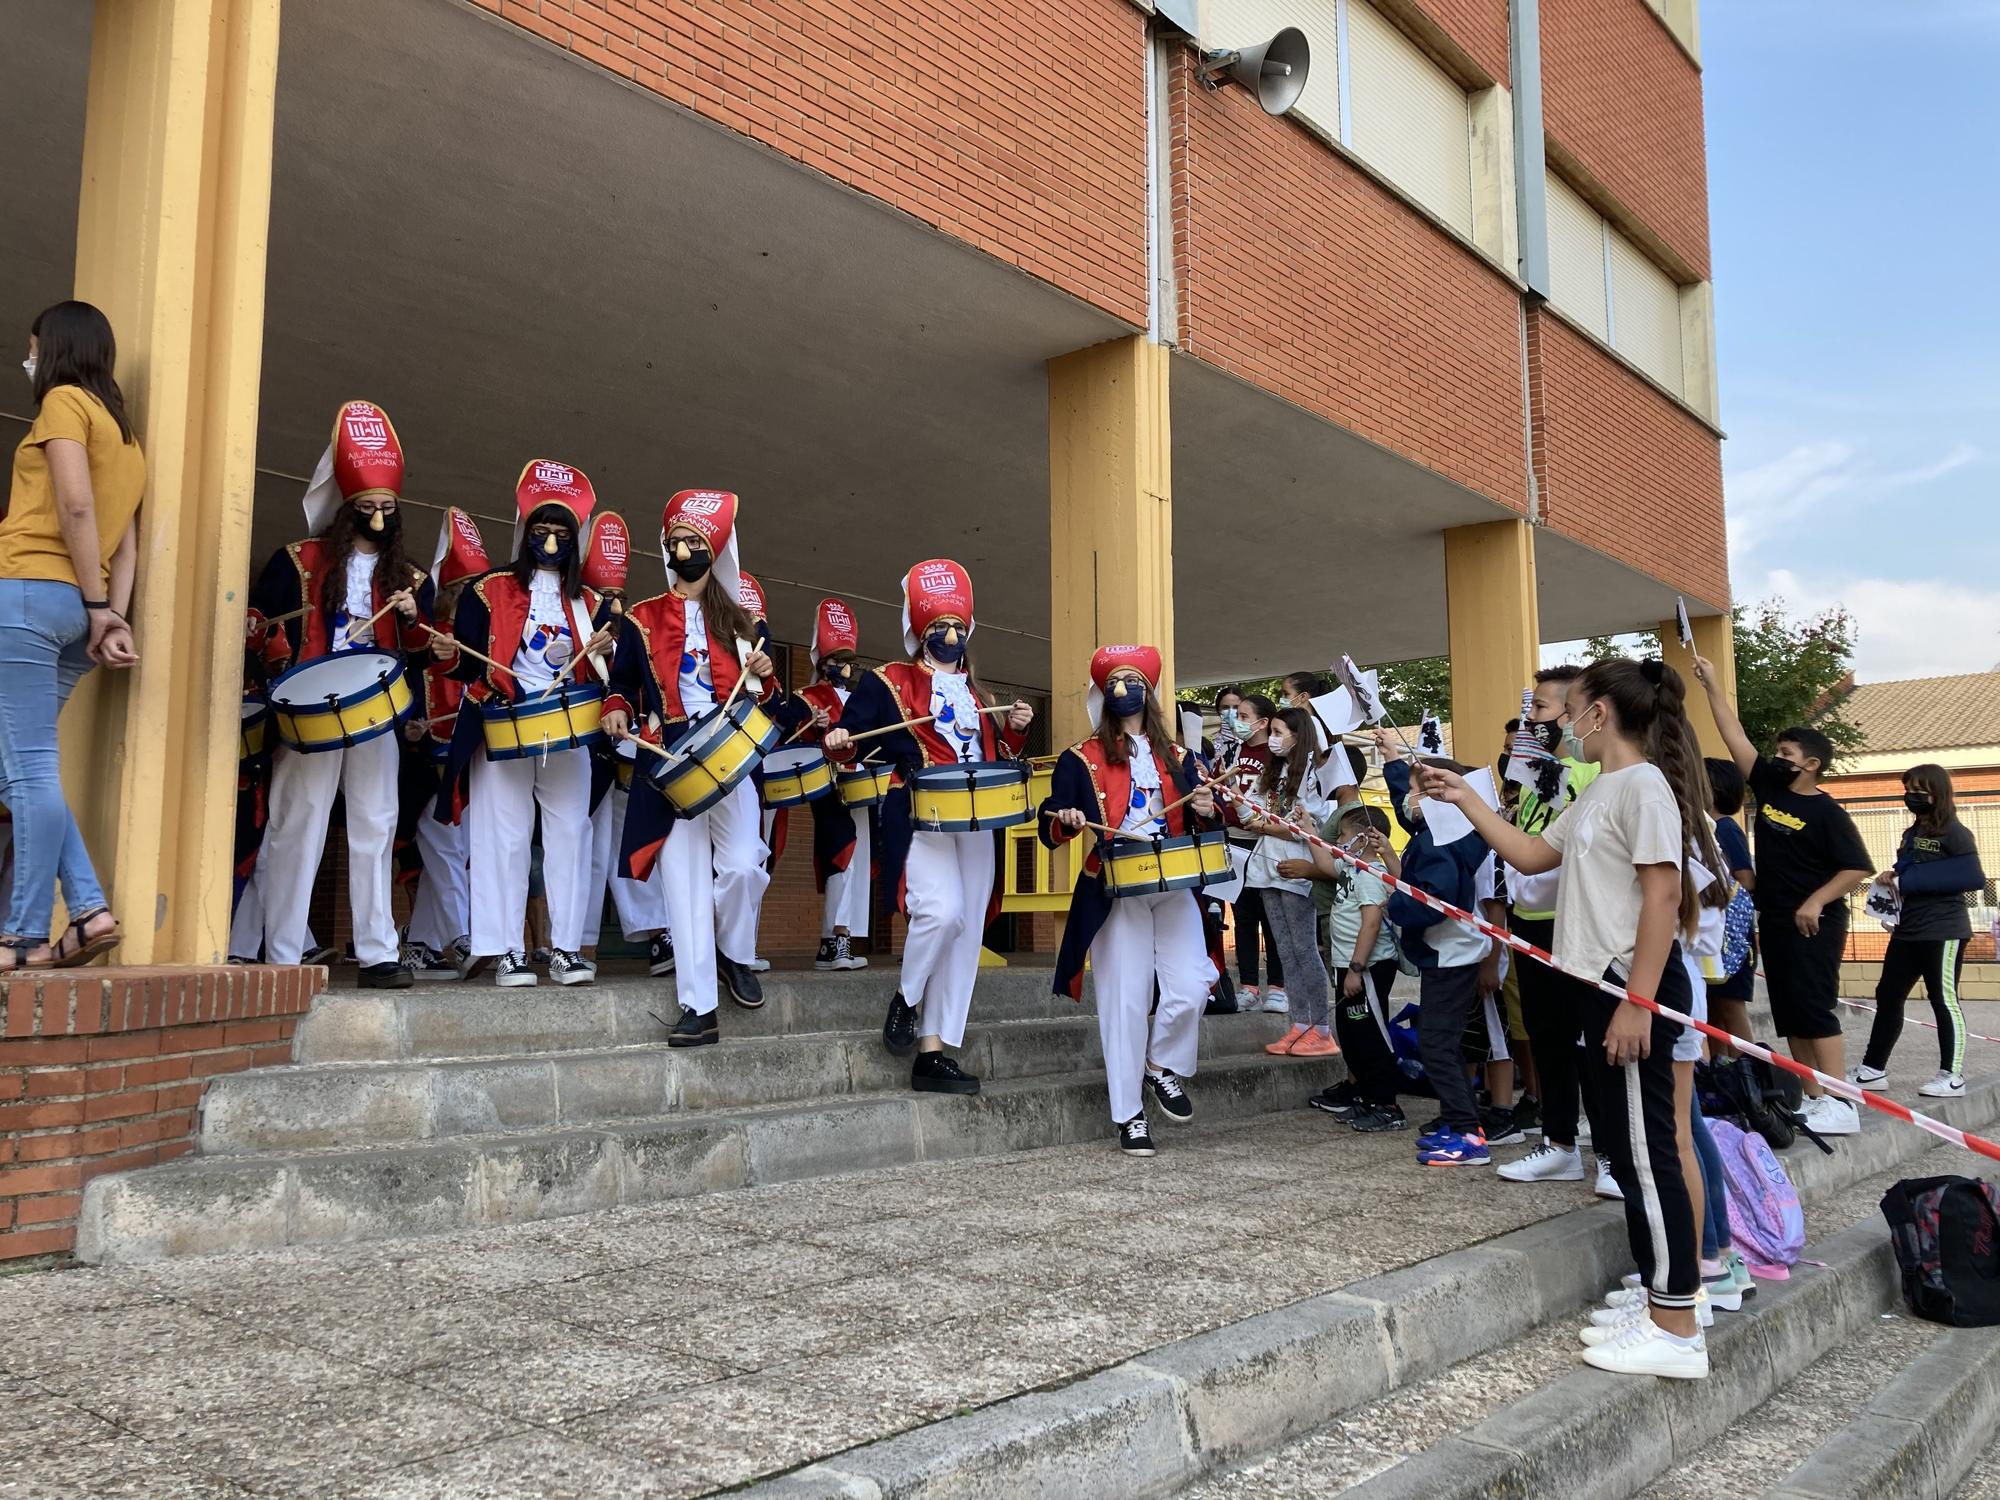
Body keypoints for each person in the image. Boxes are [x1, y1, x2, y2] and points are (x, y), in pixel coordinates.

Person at [1423, 657, 1714, 1379]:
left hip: (1629, 986)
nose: (1554, 723)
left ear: (1599, 714)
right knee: (1625, 1146)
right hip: (1600, 987)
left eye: (1566, 709)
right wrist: (1464, 796)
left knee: (1650, 1157)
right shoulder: (1605, 790)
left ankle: (1678, 1322)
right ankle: (1657, 1295)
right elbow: (1530, 852)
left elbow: (1660, 898)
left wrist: (1638, 1003)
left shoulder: (1644, 786)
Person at [823, 558, 1032, 1093]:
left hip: (980, 821)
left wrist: (1013, 730)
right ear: (918, 629)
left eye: (957, 625)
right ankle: (906, 999)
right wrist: (841, 738)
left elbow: (998, 756)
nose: (949, 634)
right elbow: (856, 736)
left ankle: (932, 1051)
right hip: (923, 814)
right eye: (938, 625)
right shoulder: (889, 680)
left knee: (964, 934)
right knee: (939, 914)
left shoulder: (979, 695)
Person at [248, 400, 430, 988]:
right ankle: (281, 954)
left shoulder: (410, 578)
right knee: (297, 822)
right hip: (312, 712)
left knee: (377, 822)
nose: (379, 514)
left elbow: (427, 653)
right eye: (368, 505)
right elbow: (263, 633)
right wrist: (264, 633)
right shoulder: (297, 562)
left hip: (375, 713)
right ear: (345, 508)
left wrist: (413, 618)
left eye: (388, 506)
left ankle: (378, 952)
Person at [0, 301, 144, 970]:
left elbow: (74, 504)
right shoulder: (126, 436)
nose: (30, 359)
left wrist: (97, 606)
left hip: (28, 592)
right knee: (15, 767)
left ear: (54, 347)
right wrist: (109, 613)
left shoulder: (62, 403)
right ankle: (87, 910)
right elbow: (129, 542)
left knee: (27, 767)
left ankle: (23, 935)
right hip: (75, 611)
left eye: (34, 348)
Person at [604, 490, 777, 1044]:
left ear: (715, 549)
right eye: (676, 542)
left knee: (745, 864)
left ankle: (732, 951)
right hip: (671, 755)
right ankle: (698, 1007)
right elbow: (623, 686)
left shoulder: (744, 621)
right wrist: (615, 710)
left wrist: (767, 674)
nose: (684, 550)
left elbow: (764, 698)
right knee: (682, 884)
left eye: (695, 542)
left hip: (731, 753)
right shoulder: (641, 618)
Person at [437, 461, 613, 987]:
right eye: (542, 531)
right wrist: (446, 654)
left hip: (568, 730)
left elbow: (613, 676)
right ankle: (507, 948)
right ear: (524, 533)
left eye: (563, 533)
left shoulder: (595, 603)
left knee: (570, 835)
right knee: (502, 837)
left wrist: (608, 651)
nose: (552, 542)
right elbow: (465, 663)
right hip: (504, 723)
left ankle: (563, 948)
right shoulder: (487, 591)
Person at [1039, 645, 1218, 1156]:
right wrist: (1066, 819)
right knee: (1125, 999)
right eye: (1115, 681)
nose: (1125, 689)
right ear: (1104, 692)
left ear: (1150, 691)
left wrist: (1205, 806)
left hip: (1176, 882)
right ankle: (1130, 1115)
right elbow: (1050, 824)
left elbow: (1212, 827)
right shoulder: (1081, 757)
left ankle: (1158, 1064)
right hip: (1117, 887)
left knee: (1192, 984)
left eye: (1134, 679)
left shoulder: (1184, 758)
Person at [1693, 657, 1873, 1137]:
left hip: (1815, 922)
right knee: (1790, 1009)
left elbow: (1857, 867)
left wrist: (1816, 901)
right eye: (1778, 750)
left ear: (1812, 765)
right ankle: (1814, 1097)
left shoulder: (1828, 813)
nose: (1779, 757)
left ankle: (1841, 1099)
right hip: (1774, 919)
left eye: (1788, 752)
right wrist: (1712, 687)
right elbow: (1735, 736)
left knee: (1814, 1008)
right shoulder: (1771, 788)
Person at [1494, 665, 1606, 1189]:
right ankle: (1559, 1142)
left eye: (1538, 709)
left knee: (1590, 1041)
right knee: (1547, 1037)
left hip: (1576, 924)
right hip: (1530, 924)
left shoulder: (1591, 775)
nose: (1528, 718)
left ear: (1572, 713)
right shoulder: (1531, 778)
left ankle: (1610, 1153)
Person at [1378, 733, 1492, 1167]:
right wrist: (1392, 760)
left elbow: (1436, 899)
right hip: (1451, 952)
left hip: (1452, 952)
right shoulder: (1446, 829)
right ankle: (1456, 1117)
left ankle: (1467, 1131)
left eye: (1415, 793)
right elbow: (1409, 815)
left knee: (1437, 1043)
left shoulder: (1441, 842)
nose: (1408, 802)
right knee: (1440, 1040)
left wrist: (1398, 903)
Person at [577, 511, 673, 975]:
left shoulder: (639, 636)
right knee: (587, 855)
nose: (614, 607)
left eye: (619, 597)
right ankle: (579, 945)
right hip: (591, 760)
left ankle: (659, 938)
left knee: (640, 847)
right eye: (605, 597)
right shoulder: (576, 632)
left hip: (639, 762)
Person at [1854, 763, 1985, 1098]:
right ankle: (1872, 1070)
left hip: (1943, 931)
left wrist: (1907, 880)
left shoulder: (1955, 832)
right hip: (1908, 929)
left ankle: (1952, 1075)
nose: (1911, 796)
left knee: (1944, 999)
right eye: (1908, 789)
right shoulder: (1913, 832)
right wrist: (1892, 878)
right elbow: (1909, 873)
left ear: (1937, 793)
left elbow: (1972, 876)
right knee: (1888, 995)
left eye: (1919, 791)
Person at [397, 507, 488, 979]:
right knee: (446, 852)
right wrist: (410, 727)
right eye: (463, 592)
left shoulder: (484, 642)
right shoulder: (425, 640)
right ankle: (463, 934)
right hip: (426, 770)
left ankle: (419, 946)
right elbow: (402, 689)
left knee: (449, 857)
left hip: (467, 765)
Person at [1232, 707, 1335, 1057]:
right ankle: (1299, 1023)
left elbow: (1307, 828)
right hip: (1267, 867)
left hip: (1297, 869)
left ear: (1297, 734)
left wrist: (1264, 825)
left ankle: (1321, 1029)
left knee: (1305, 949)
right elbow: (1256, 815)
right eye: (1272, 731)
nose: (1273, 739)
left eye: (1279, 732)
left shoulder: (1312, 775)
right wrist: (1235, 796)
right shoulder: (1276, 772)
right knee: (1285, 949)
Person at [1300, 801, 1407, 1132]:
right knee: (1352, 1035)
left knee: (1371, 1036)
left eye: (1344, 835)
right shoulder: (1351, 868)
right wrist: (1308, 830)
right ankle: (1366, 1097)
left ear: (1363, 839)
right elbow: (1323, 860)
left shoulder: (1373, 877)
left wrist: (1357, 970)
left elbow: (1371, 925)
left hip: (1366, 970)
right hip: (1346, 967)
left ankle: (1387, 1105)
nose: (1339, 841)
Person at [784, 597, 873, 972]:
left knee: (861, 858)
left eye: (848, 661)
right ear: (822, 663)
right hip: (827, 785)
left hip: (862, 783)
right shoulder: (806, 698)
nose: (844, 668)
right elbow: (787, 740)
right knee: (844, 852)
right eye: (837, 661)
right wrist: (812, 726)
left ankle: (842, 939)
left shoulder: (862, 697)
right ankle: (834, 938)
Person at [1223, 694, 1288, 1014]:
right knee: (1243, 917)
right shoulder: (1232, 750)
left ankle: (1278, 986)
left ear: (1263, 722)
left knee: (1271, 914)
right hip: (1235, 841)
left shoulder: (1276, 756)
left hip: (1265, 841)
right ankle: (1248, 986)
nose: (1238, 720)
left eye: (1244, 715)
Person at [1702, 757, 1757, 1044]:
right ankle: (1721, 1069)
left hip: (1731, 939)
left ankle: (1746, 1068)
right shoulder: (1708, 826)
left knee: (1731, 1006)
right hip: (1717, 936)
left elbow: (1745, 878)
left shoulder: (1725, 828)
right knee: (1712, 1007)